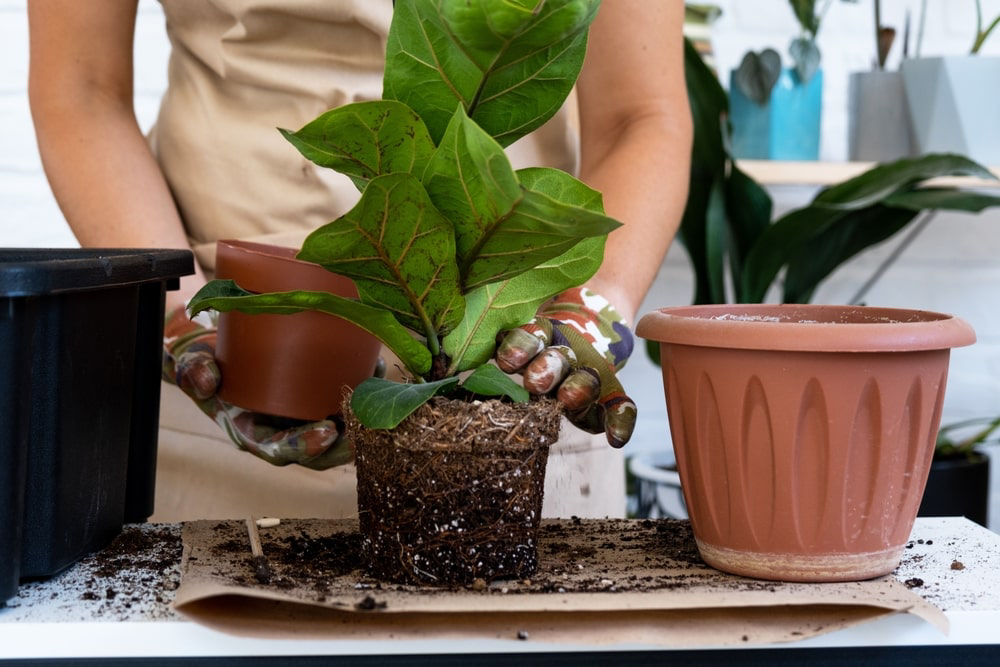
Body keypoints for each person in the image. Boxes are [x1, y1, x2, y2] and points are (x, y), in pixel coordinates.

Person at [27, 0, 692, 521]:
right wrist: (177, 313)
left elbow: (643, 114)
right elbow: (81, 87)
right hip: (231, 367)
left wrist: (592, 304)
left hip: (517, 393)